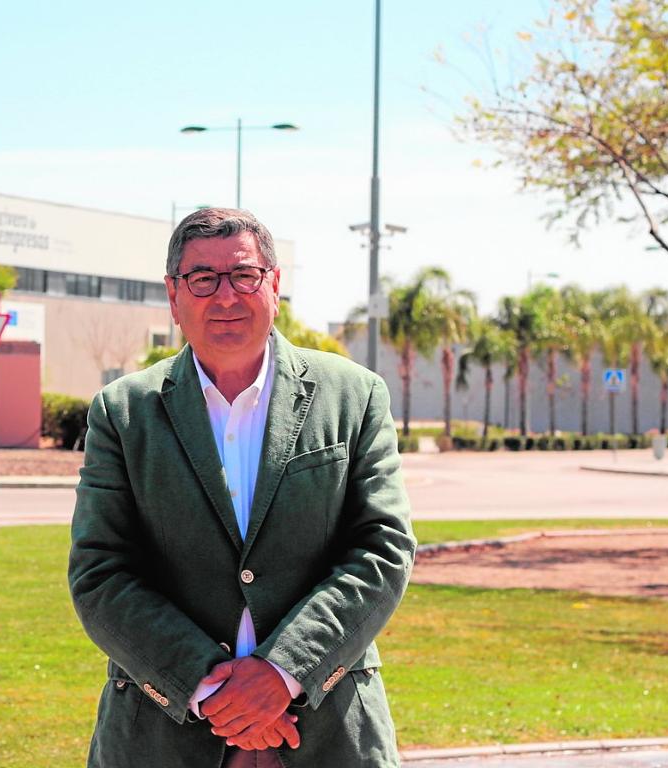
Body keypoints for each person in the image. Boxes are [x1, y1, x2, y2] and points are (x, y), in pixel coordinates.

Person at [68, 208, 415, 767]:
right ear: (174, 296)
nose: (225, 297)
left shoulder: (353, 397)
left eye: (244, 275)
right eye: (202, 279)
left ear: (274, 284)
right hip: (162, 739)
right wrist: (214, 691)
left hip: (329, 735)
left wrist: (283, 674)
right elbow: (100, 572)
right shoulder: (123, 412)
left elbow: (383, 550)